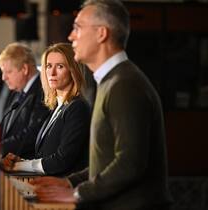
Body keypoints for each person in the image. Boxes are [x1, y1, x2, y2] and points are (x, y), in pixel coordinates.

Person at [31, 0, 173, 210]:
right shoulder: (112, 80)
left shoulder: (124, 84)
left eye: (78, 28)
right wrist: (69, 182)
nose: (71, 36)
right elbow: (106, 162)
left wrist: (77, 193)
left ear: (101, 34)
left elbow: (130, 163)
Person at [2, 43, 90, 176]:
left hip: (64, 190)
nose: (52, 73)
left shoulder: (77, 107)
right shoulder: (57, 107)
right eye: (48, 66)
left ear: (73, 70)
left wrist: (21, 165)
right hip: (46, 186)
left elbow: (62, 160)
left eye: (60, 66)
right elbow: (43, 154)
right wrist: (20, 161)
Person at [0, 42, 50, 159]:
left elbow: (34, 132)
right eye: (3, 72)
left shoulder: (43, 90)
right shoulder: (17, 91)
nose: (3, 77)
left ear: (25, 69)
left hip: (28, 166)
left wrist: (1, 148)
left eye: (9, 72)